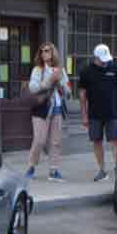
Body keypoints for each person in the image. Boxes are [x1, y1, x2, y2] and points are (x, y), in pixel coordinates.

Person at [80, 44, 117, 182]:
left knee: (115, 141)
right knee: (97, 141)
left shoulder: (115, 67)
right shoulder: (86, 71)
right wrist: (83, 114)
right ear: (96, 57)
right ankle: (102, 170)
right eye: (102, 59)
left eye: (106, 59)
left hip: (112, 112)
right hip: (94, 113)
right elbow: (82, 94)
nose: (105, 61)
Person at [26, 42, 71, 182]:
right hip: (41, 109)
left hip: (57, 109)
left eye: (46, 51)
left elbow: (69, 92)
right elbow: (33, 88)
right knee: (39, 140)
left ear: (53, 53)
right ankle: (31, 167)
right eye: (42, 51)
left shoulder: (60, 70)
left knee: (56, 141)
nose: (43, 53)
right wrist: (49, 80)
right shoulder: (37, 70)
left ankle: (54, 170)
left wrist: (60, 83)